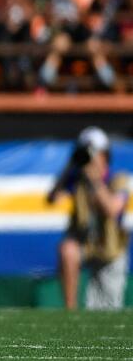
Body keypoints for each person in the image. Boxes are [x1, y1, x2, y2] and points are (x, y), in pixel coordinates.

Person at [48, 126, 129, 310]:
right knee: (67, 248)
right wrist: (70, 166)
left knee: (107, 309)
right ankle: (70, 310)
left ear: (105, 155)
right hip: (85, 243)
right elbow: (52, 197)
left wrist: (95, 181)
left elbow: (112, 210)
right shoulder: (77, 179)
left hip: (110, 250)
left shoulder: (118, 179)